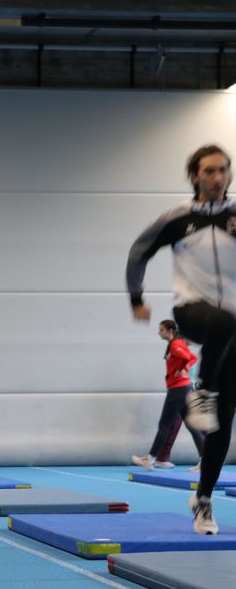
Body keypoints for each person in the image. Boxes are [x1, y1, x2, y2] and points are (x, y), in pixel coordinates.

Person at [126, 144, 236, 535]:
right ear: (195, 176)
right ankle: (201, 389)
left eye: (224, 170)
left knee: (222, 421)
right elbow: (139, 252)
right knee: (222, 322)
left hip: (231, 330)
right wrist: (137, 298)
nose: (218, 177)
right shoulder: (177, 219)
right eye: (210, 171)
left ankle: (203, 501)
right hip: (192, 311)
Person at [131, 319, 204, 471]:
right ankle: (206, 461)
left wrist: (182, 369)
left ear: (170, 331)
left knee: (164, 426)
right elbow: (193, 358)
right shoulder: (177, 344)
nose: (159, 333)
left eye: (161, 330)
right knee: (192, 426)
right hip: (184, 389)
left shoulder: (175, 344)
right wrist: (184, 368)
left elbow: (189, 358)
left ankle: (150, 459)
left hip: (178, 389)